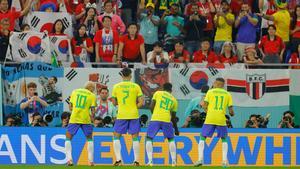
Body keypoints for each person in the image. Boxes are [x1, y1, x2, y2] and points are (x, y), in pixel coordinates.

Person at [194, 78, 234, 167]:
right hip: (221, 119)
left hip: (210, 118)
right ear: (223, 85)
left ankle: (200, 159)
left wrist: (209, 112)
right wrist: (231, 113)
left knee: (202, 137)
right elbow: (231, 112)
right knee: (224, 139)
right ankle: (224, 161)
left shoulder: (210, 92)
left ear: (215, 83)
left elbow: (204, 106)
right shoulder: (227, 94)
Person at [111, 68, 144, 166]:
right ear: (130, 75)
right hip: (134, 114)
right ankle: (136, 161)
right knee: (135, 137)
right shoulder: (136, 86)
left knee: (116, 136)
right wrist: (134, 107)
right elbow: (141, 102)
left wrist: (121, 105)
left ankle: (118, 160)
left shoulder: (116, 87)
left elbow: (114, 102)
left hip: (121, 115)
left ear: (122, 76)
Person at [146, 83, 179, 166]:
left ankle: (150, 161)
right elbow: (173, 117)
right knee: (171, 139)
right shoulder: (174, 100)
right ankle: (174, 161)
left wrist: (155, 114)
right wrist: (176, 129)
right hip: (167, 120)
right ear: (171, 90)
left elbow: (151, 106)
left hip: (155, 119)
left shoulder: (158, 93)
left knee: (149, 138)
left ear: (163, 88)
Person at [65, 81, 97, 166]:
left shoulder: (75, 91)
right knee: (89, 138)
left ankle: (69, 160)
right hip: (85, 119)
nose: (93, 91)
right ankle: (91, 161)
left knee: (68, 137)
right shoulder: (92, 96)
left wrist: (76, 110)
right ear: (90, 88)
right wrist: (91, 116)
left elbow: (70, 106)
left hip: (74, 117)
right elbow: (93, 111)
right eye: (93, 89)